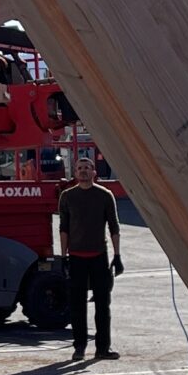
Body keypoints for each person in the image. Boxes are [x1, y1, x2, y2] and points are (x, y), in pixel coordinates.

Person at [56, 154, 123, 363]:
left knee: (103, 305)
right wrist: (64, 257)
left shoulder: (105, 195)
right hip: (76, 257)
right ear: (75, 173)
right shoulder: (67, 196)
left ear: (94, 172)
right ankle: (79, 347)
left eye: (87, 168)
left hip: (99, 257)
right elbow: (63, 228)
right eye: (79, 168)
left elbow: (114, 226)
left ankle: (103, 348)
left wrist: (117, 256)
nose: (83, 171)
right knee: (77, 306)